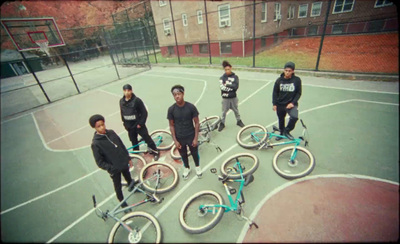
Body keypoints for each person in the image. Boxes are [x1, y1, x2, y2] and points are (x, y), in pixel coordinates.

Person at [89, 114, 134, 212]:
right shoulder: (96, 143)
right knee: (118, 186)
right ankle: (122, 202)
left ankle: (132, 185)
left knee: (128, 176)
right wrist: (112, 168)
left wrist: (128, 158)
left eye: (102, 124)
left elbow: (121, 145)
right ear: (94, 128)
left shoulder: (111, 132)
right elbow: (100, 162)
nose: (102, 127)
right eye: (98, 126)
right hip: (114, 169)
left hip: (123, 162)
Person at [167, 85, 202, 180]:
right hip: (179, 137)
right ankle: (187, 167)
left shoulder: (191, 107)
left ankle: (197, 167)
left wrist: (195, 138)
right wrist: (175, 140)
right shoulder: (171, 110)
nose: (177, 96)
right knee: (183, 154)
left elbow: (197, 122)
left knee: (195, 153)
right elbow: (171, 125)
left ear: (183, 94)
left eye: (178, 94)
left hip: (190, 135)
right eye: (174, 95)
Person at [120, 84, 159, 161]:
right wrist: (125, 124)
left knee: (147, 138)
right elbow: (122, 113)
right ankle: (136, 152)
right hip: (129, 126)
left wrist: (141, 123)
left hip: (138, 125)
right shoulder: (121, 101)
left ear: (131, 91)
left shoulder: (137, 100)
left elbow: (144, 112)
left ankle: (155, 151)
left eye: (128, 90)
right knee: (133, 140)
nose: (126, 92)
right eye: (125, 90)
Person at [272, 61, 302, 140]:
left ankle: (287, 131)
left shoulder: (297, 80)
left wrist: (292, 103)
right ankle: (281, 133)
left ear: (293, 71)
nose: (287, 72)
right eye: (286, 70)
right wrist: (274, 104)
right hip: (280, 104)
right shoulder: (279, 80)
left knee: (294, 117)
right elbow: (275, 92)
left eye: (289, 71)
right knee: (281, 119)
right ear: (283, 70)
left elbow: (298, 93)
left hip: (291, 104)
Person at [218, 60, 245, 132]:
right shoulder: (222, 78)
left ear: (231, 68)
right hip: (225, 98)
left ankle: (239, 121)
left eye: (228, 69)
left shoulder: (235, 77)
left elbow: (236, 86)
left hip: (233, 97)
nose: (227, 71)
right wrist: (231, 87)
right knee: (223, 112)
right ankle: (222, 123)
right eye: (226, 69)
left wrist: (227, 85)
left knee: (236, 110)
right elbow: (222, 87)